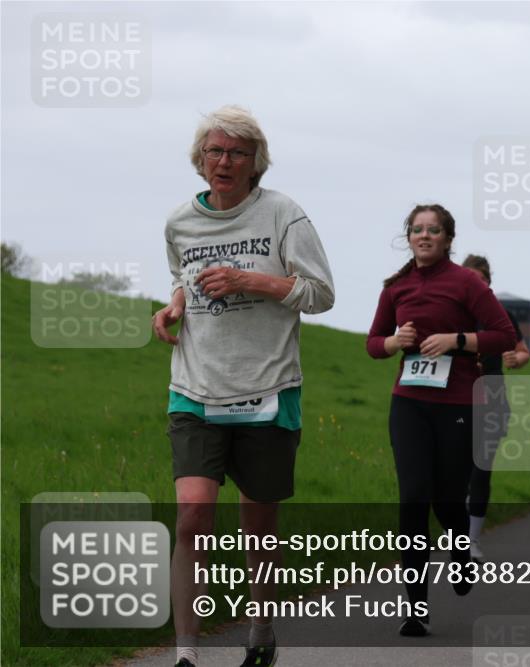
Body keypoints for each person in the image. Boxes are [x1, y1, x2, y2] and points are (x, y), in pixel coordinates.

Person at [152, 105, 334, 667]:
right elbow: (181, 275)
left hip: (268, 390)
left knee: (259, 526)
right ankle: (186, 652)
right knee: (192, 517)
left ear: (256, 163)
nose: (223, 161)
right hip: (196, 387)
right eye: (215, 151)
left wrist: (250, 280)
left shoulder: (284, 215)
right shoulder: (180, 221)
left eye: (236, 152)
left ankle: (260, 628)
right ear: (199, 160)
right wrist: (175, 303)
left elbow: (322, 293)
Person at [366, 205, 516, 637]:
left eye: (434, 230)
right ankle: (416, 609)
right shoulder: (396, 287)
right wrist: (396, 341)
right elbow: (373, 343)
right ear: (408, 237)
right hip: (409, 403)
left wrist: (459, 341)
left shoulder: (467, 283)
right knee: (413, 497)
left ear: (449, 239)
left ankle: (461, 551)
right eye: (417, 230)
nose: (424, 236)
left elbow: (503, 334)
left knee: (448, 500)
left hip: (459, 405)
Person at [461, 254, 530, 563]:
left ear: (488, 283)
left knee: (480, 470)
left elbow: (522, 350)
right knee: (451, 472)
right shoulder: (451, 313)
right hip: (454, 400)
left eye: (480, 280)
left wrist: (517, 359)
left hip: (491, 401)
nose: (474, 285)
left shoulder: (499, 314)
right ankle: (456, 532)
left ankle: (471, 541)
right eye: (468, 279)